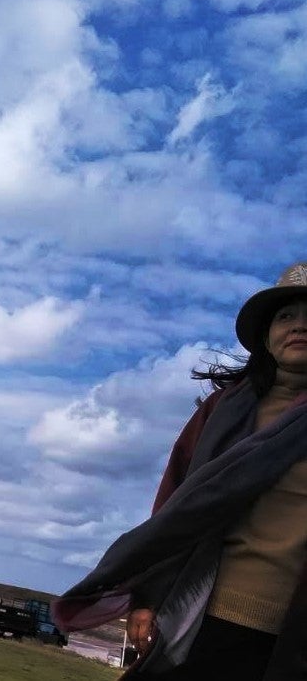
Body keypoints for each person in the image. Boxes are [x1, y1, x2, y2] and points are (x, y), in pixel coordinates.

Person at [52, 261, 307, 680]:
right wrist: (148, 596)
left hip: (289, 639)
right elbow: (175, 506)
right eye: (286, 316)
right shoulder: (222, 410)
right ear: (267, 335)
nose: (299, 325)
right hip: (197, 617)